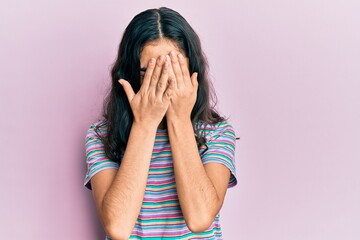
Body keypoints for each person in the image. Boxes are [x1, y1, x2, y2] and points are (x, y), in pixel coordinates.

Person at [83, 7, 238, 240]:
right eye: (151, 73)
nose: (164, 82)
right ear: (132, 75)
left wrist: (179, 119)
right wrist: (145, 125)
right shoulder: (101, 136)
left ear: (191, 71)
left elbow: (199, 218)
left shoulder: (217, 134)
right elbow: (117, 227)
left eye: (173, 70)